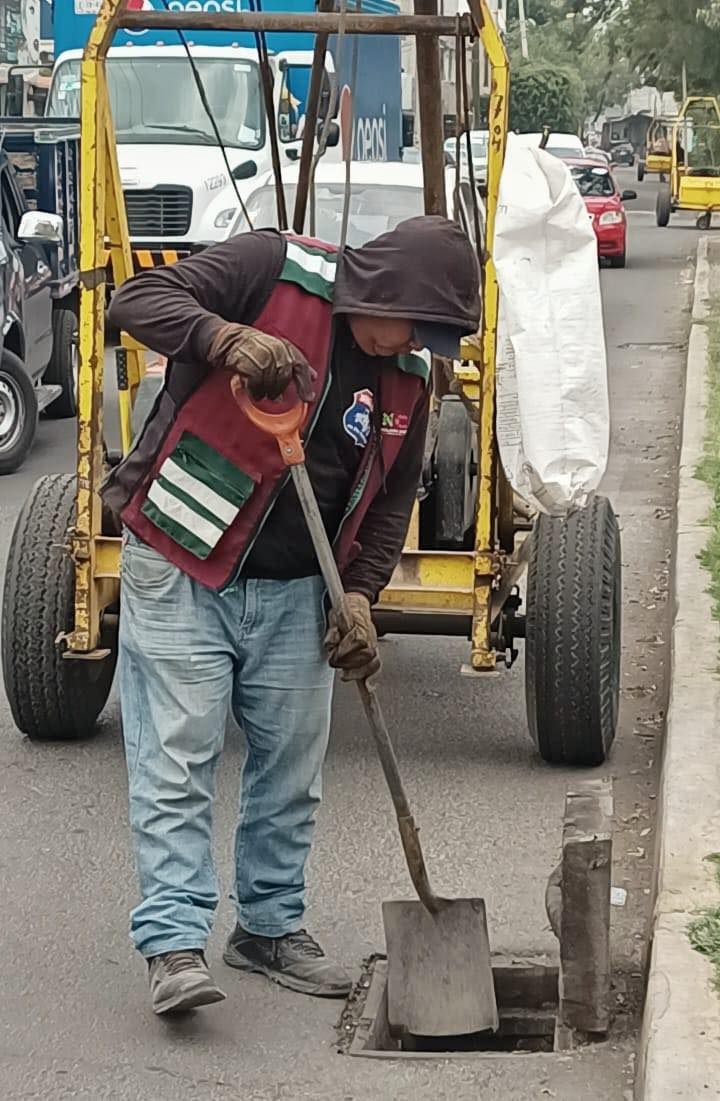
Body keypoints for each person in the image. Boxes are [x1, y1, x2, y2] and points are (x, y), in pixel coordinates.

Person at [104, 215, 480, 1016]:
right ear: (387, 289)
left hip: (295, 587)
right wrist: (222, 337)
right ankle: (172, 941)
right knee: (179, 753)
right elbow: (136, 299)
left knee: (292, 767)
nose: (416, 343)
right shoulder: (272, 268)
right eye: (416, 324)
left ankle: (269, 928)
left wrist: (357, 596)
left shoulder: (408, 378)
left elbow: (390, 503)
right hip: (182, 556)